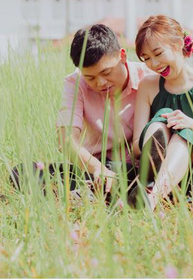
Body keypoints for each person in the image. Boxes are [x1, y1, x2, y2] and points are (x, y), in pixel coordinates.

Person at [131, 15, 193, 210]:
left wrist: (191, 125)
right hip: (157, 167)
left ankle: (151, 197)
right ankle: (153, 191)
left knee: (183, 134)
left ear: (178, 44)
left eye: (158, 53)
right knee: (163, 119)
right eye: (147, 59)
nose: (154, 64)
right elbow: (136, 147)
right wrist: (162, 128)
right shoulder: (148, 86)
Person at [53, 23, 155, 198]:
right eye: (90, 77)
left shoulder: (149, 78)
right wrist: (97, 169)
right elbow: (66, 141)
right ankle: (101, 190)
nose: (100, 83)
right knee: (23, 173)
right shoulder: (74, 83)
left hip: (137, 167)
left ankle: (107, 192)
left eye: (106, 72)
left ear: (122, 56)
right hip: (95, 166)